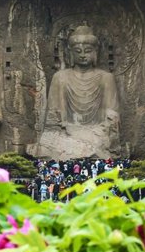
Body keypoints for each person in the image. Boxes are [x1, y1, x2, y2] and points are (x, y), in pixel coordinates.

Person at [37, 25, 120, 159]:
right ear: (70, 53)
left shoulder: (106, 78)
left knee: (99, 142)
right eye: (78, 51)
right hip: (67, 132)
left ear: (95, 52)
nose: (82, 55)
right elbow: (54, 116)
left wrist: (104, 130)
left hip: (96, 133)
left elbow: (112, 115)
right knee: (48, 143)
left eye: (87, 51)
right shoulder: (60, 77)